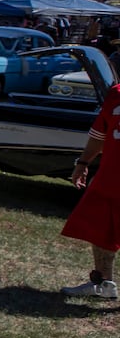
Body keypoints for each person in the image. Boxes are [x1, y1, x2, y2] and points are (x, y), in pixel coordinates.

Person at [61, 79, 120, 299]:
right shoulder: (116, 94)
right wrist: (83, 162)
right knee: (100, 228)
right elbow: (100, 134)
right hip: (111, 177)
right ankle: (104, 284)